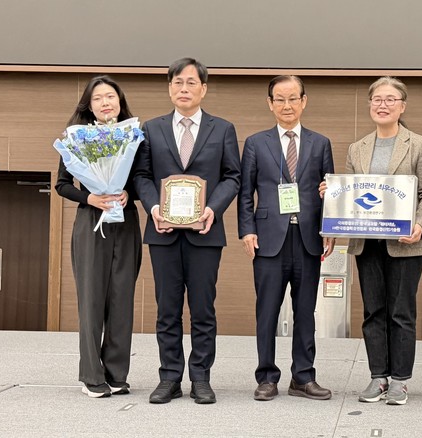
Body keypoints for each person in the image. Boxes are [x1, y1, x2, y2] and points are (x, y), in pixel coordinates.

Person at [323, 76, 422, 405]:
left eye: (390, 99)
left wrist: (420, 226)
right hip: (367, 243)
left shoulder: (420, 146)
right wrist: (332, 193)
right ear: (370, 105)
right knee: (373, 310)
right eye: (377, 99)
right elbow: (350, 196)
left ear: (402, 107)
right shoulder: (357, 148)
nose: (383, 105)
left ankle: (400, 380)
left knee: (401, 311)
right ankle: (378, 377)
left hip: (406, 243)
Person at [133, 58, 241, 405]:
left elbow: (232, 177)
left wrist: (212, 209)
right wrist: (154, 208)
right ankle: (169, 377)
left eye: (191, 82)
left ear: (203, 89)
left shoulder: (222, 129)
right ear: (169, 88)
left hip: (205, 233)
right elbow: (141, 176)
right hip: (162, 232)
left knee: (202, 309)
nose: (184, 88)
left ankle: (200, 378)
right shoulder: (151, 129)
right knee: (167, 309)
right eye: (178, 82)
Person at [238, 76, 335, 401]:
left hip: (307, 238)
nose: (287, 105)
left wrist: (329, 229)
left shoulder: (321, 143)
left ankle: (303, 377)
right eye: (280, 99)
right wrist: (247, 229)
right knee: (267, 311)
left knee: (305, 311)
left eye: (293, 98)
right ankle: (266, 377)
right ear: (270, 104)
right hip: (268, 239)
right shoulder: (256, 143)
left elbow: (330, 193)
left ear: (304, 101)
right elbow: (245, 192)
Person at [55, 75, 142, 398]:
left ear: (120, 102)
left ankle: (117, 374)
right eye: (98, 98)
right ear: (89, 106)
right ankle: (91, 376)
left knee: (122, 299)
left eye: (111, 96)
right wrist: (90, 197)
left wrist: (129, 194)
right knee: (91, 300)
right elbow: (62, 184)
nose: (106, 102)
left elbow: (143, 178)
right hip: (91, 221)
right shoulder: (76, 138)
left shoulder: (135, 136)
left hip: (126, 221)